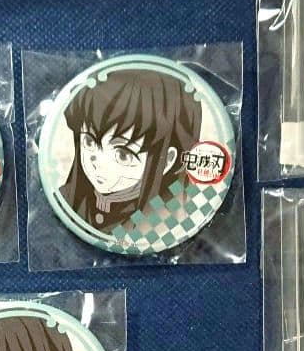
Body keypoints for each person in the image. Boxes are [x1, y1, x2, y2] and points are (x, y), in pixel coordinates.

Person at [59, 68, 202, 233]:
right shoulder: (66, 200)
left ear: (167, 161)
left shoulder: (165, 222)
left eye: (123, 155)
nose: (97, 162)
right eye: (90, 142)